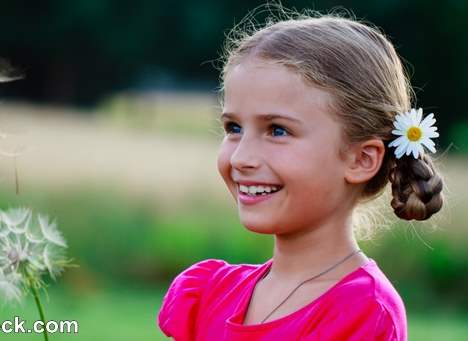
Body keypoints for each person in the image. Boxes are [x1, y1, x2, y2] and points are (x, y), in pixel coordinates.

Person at [157, 5, 445, 341]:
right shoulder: (208, 295)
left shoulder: (363, 311)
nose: (241, 157)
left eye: (277, 130)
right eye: (233, 127)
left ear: (361, 159)